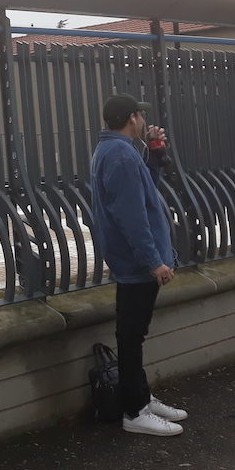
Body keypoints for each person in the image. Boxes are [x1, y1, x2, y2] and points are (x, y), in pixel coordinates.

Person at [90, 93, 189, 436]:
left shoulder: (118, 151)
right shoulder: (119, 155)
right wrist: (154, 262)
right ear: (132, 118)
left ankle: (141, 399)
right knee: (131, 336)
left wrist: (156, 155)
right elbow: (132, 217)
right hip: (137, 264)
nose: (144, 121)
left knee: (133, 334)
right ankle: (135, 411)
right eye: (140, 116)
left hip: (134, 262)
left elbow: (144, 194)